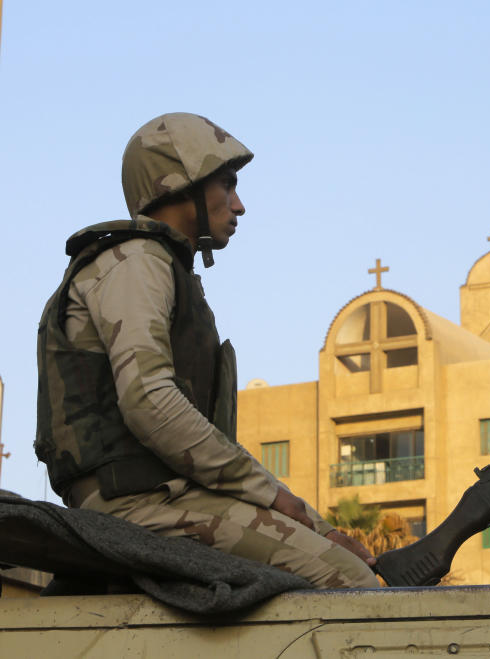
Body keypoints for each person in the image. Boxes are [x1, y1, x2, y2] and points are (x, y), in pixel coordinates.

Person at [34, 112, 379, 589]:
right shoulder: (136, 262)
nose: (238, 205)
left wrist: (321, 528)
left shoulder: (161, 268)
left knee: (357, 568)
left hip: (173, 497)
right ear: (181, 184)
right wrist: (275, 498)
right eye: (227, 185)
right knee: (346, 582)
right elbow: (149, 402)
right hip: (134, 504)